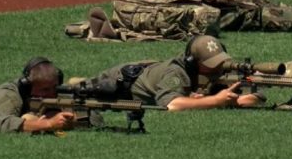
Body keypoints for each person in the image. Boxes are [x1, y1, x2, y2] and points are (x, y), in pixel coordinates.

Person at [83, 35, 265, 111]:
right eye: (210, 64)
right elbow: (172, 105)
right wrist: (216, 101)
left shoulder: (221, 70)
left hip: (150, 70)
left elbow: (255, 97)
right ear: (193, 63)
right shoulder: (177, 72)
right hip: (121, 81)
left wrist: (239, 98)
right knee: (83, 89)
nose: (217, 68)